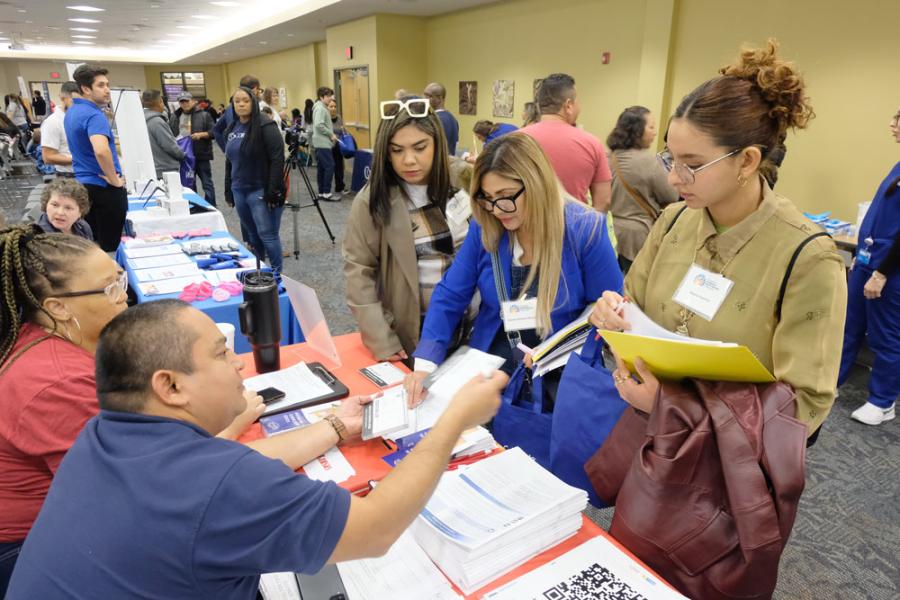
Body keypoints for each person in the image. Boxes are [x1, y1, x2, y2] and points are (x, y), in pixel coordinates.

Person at [6, 299, 507, 599]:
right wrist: (454, 420)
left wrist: (336, 426)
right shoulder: (216, 486)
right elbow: (374, 530)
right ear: (171, 386)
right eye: (223, 355)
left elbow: (228, 466)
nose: (240, 367)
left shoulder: (103, 435)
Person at [0, 227, 369, 595]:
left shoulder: (61, 350)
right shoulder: (61, 384)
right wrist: (245, 425)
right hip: (24, 547)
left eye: (120, 279)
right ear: (57, 307)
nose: (124, 296)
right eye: (109, 288)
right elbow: (180, 479)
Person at [589, 40, 847, 439]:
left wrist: (673, 408)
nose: (674, 179)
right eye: (670, 159)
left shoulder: (807, 257)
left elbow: (803, 408)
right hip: (649, 442)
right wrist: (614, 321)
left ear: (747, 160)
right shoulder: (675, 220)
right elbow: (633, 305)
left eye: (692, 165)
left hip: (728, 468)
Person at [404, 132, 623, 401]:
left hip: (561, 370)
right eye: (487, 197)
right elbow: (451, 293)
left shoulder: (585, 229)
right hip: (494, 357)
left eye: (506, 196)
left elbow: (608, 307)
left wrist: (560, 345)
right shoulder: (485, 227)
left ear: (537, 184)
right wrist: (426, 364)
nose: (497, 209)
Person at [343, 97, 474, 362]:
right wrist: (382, 340)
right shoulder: (372, 200)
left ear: (437, 143)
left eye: (419, 147)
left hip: (473, 332)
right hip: (414, 336)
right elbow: (359, 272)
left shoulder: (466, 181)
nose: (409, 160)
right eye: (397, 150)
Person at [837, 107, 900, 426]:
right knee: (849, 325)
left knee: (886, 336)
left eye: (898, 119)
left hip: (889, 271)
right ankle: (833, 382)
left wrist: (881, 273)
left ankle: (882, 401)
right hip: (866, 259)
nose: (892, 124)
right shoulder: (898, 165)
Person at [522, 73, 612, 212]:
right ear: (569, 105)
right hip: (573, 228)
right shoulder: (592, 143)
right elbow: (604, 201)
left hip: (526, 226)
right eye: (578, 102)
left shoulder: (515, 140)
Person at [606, 106, 679, 273]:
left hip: (609, 233)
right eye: (651, 126)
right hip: (637, 236)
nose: (655, 132)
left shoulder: (608, 157)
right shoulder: (648, 161)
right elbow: (671, 196)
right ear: (637, 130)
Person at [64, 64, 127, 252]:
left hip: (84, 186)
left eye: (107, 84)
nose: (107, 90)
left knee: (91, 245)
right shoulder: (93, 114)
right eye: (101, 85)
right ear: (85, 89)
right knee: (110, 248)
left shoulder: (72, 112)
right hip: (103, 188)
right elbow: (101, 150)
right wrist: (115, 180)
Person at [223, 86, 286, 273]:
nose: (241, 104)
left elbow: (277, 159)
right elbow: (229, 161)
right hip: (239, 189)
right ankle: (261, 272)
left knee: (268, 235)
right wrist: (228, 189)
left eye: (245, 100)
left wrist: (273, 190)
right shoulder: (232, 127)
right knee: (252, 235)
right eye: (237, 101)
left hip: (260, 189)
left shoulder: (265, 125)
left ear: (253, 102)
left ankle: (276, 275)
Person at [170, 91, 216, 206]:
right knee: (188, 183)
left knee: (207, 183)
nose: (185, 104)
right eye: (182, 102)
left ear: (193, 101)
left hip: (201, 155)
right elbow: (170, 133)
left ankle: (211, 205)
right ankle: (192, 205)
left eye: (187, 101)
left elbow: (214, 132)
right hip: (184, 156)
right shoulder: (175, 116)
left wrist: (201, 135)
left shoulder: (204, 115)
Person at [142, 89, 185, 179]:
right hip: (165, 170)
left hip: (152, 167)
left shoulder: (141, 119)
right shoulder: (157, 122)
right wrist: (182, 154)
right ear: (160, 102)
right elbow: (170, 146)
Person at [39, 82, 78, 177]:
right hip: (70, 175)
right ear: (62, 98)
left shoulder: (81, 117)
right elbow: (48, 157)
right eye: (75, 101)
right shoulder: (53, 122)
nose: (79, 105)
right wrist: (82, 159)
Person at [214, 74, 261, 151]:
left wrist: (226, 149)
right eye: (237, 101)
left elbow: (216, 129)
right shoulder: (258, 108)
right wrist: (227, 149)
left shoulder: (230, 108)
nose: (241, 105)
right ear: (255, 89)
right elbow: (216, 129)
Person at [312, 86, 339, 200]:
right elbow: (319, 125)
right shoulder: (321, 109)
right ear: (321, 97)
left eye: (330, 96)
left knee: (322, 168)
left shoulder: (320, 107)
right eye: (328, 96)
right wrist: (331, 134)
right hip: (323, 143)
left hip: (321, 143)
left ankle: (322, 192)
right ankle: (326, 192)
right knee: (329, 166)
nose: (330, 98)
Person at [424, 82, 459, 156]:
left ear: (439, 98)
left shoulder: (434, 120)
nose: (424, 98)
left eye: (428, 96)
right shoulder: (453, 119)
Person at [328, 97, 348, 195]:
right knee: (329, 167)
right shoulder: (326, 118)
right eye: (331, 106)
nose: (333, 108)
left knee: (339, 167)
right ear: (327, 107)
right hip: (328, 146)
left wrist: (344, 130)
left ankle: (340, 187)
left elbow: (344, 130)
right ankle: (325, 190)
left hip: (338, 146)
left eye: (335, 106)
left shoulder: (339, 117)